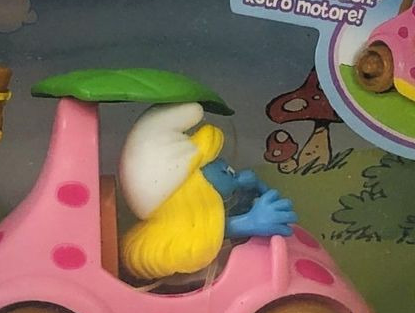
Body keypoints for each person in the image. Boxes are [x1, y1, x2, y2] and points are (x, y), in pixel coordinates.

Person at [119, 102, 297, 281]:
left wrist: (242, 185)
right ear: (196, 187)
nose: (231, 170)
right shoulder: (189, 238)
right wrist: (251, 221)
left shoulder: (202, 221)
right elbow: (218, 231)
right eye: (224, 171)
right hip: (194, 287)